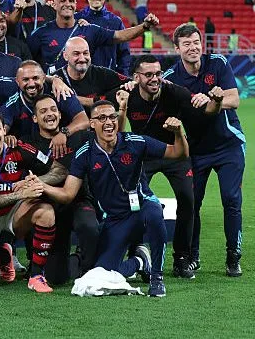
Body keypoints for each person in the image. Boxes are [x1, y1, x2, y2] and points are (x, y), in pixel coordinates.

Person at [57, 101, 190, 297]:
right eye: (102, 118)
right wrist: (41, 187)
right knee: (102, 273)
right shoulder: (85, 153)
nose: (108, 122)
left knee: (155, 214)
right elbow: (68, 193)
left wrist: (178, 132)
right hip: (115, 220)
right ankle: (140, 261)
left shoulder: (135, 142)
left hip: (142, 208)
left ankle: (157, 277)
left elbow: (179, 152)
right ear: (92, 124)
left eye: (112, 117)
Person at [121, 54, 222, 279]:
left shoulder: (175, 92)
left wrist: (215, 100)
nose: (155, 78)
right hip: (143, 155)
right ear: (136, 77)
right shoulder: (127, 94)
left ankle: (182, 258)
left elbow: (208, 111)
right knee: (132, 202)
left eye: (158, 73)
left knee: (187, 199)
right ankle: (136, 254)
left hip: (174, 152)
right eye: (148, 74)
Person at [163, 24, 243, 277]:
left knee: (231, 200)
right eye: (186, 44)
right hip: (196, 150)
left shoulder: (218, 63)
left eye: (196, 42)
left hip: (228, 144)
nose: (193, 47)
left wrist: (212, 99)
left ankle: (233, 256)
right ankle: (192, 256)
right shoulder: (171, 77)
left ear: (202, 44)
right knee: (192, 203)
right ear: (177, 48)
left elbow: (234, 99)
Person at [0, 108, 59, 293]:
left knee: (45, 212)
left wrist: (36, 181)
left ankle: (36, 276)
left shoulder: (20, 148)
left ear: (4, 130)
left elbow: (58, 170)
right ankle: (1, 250)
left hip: (13, 214)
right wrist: (22, 193)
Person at [21, 95, 97, 285]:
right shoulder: (27, 145)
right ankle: (71, 260)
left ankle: (90, 270)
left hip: (79, 200)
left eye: (53, 109)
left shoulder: (79, 137)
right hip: (51, 209)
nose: (50, 114)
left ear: (60, 115)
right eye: (43, 111)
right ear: (35, 118)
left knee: (88, 226)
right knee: (56, 278)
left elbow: (111, 135)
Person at [28, 0, 157, 75]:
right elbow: (29, 61)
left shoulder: (88, 30)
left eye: (71, 1)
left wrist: (144, 26)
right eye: (62, 1)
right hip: (54, 93)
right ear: (54, 4)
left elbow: (120, 36)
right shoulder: (41, 33)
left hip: (86, 92)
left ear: (76, 5)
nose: (67, 4)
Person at [3, 61, 87, 152]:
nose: (31, 84)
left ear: (43, 78)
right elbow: (0, 129)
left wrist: (64, 133)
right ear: (17, 81)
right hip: (31, 151)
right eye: (25, 80)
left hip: (65, 146)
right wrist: (6, 137)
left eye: (35, 78)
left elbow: (84, 120)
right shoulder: (13, 103)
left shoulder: (59, 91)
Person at [75, 0, 130, 75]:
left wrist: (122, 78)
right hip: (81, 77)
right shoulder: (76, 19)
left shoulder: (115, 22)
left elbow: (124, 53)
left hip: (107, 77)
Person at [58, 37, 129, 109]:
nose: (82, 58)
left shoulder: (101, 74)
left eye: (85, 53)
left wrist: (91, 101)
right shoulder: (57, 79)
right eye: (76, 54)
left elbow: (131, 85)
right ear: (65, 56)